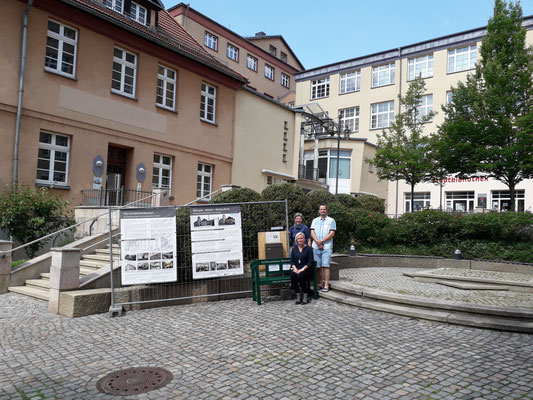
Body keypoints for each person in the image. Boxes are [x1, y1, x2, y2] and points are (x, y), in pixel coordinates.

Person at [310, 204, 336, 292]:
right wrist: (317, 241)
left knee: (326, 266)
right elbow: (312, 232)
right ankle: (320, 283)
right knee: (318, 267)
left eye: (324, 209)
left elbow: (332, 233)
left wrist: (321, 241)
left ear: (326, 210)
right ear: (318, 211)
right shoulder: (315, 220)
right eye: (321, 209)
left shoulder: (331, 220)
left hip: (326, 247)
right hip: (316, 247)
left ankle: (326, 285)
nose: (322, 211)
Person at [290, 232, 314, 305]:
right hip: (296, 268)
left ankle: (305, 294)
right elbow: (292, 261)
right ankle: (298, 294)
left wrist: (302, 269)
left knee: (300, 275)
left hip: (306, 269)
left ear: (304, 239)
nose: (300, 240)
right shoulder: (294, 249)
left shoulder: (309, 249)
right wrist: (295, 269)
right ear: (296, 240)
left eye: (301, 238)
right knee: (293, 275)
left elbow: (310, 261)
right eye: (298, 238)